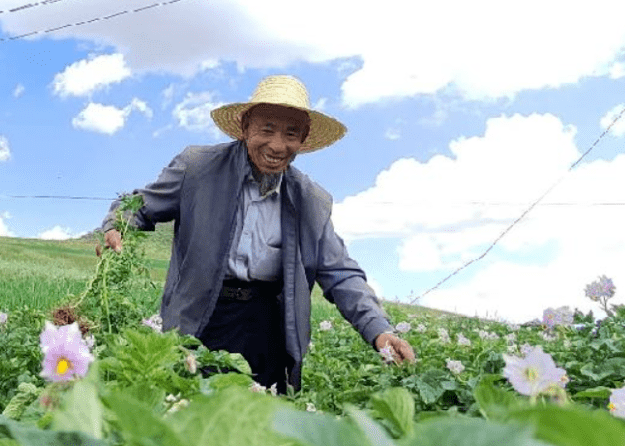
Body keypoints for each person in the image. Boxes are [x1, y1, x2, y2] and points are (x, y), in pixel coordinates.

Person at [100, 75, 414, 393]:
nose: (278, 145)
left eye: (291, 134)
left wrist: (379, 330)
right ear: (245, 127)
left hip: (268, 327)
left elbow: (340, 273)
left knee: (259, 422)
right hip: (202, 318)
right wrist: (116, 225)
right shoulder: (197, 168)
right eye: (267, 130)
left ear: (303, 140)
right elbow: (141, 204)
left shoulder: (311, 201)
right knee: (189, 411)